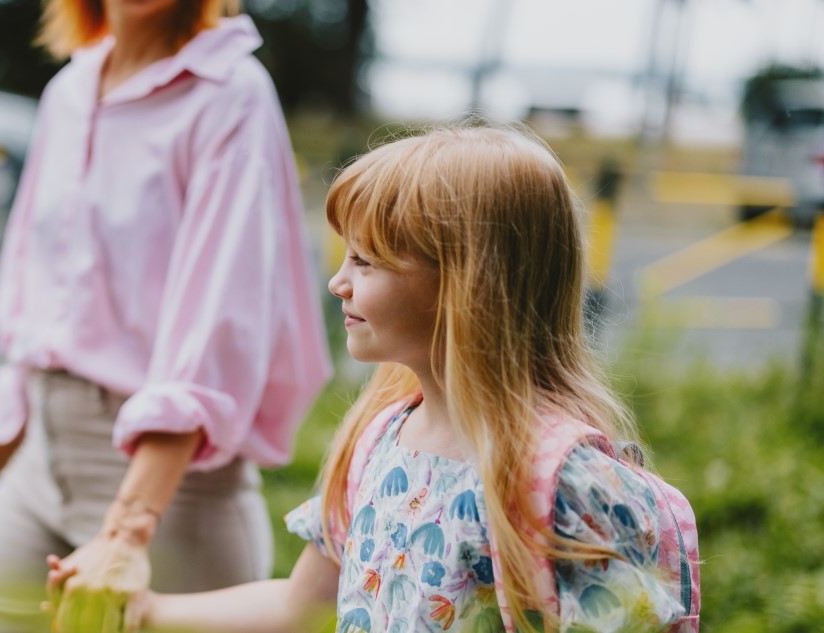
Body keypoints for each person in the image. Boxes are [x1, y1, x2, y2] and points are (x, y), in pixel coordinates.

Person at [52, 123, 694, 632]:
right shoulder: (383, 440)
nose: (339, 282)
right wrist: (146, 611)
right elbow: (300, 604)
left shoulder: (561, 482)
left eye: (367, 260)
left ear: (467, 283)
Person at [0, 0, 332, 630]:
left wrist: (128, 529)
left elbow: (219, 326)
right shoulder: (70, 88)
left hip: (171, 488)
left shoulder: (230, 95)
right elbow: (43, 317)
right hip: (40, 458)